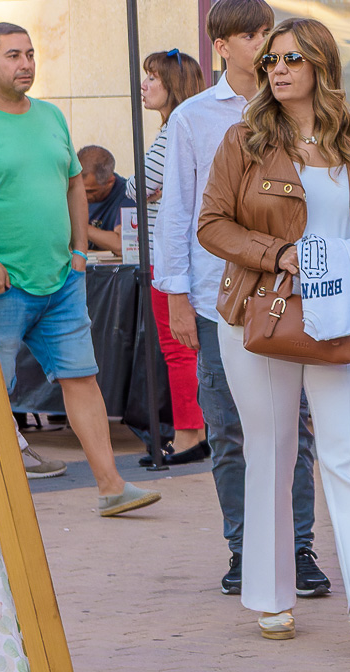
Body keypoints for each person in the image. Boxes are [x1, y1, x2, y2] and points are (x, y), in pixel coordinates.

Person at [199, 17, 350, 648]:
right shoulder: (244, 140)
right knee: (272, 450)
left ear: (321, 64)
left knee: (348, 451)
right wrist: (281, 253)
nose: (278, 70)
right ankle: (270, 596)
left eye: (291, 59)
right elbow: (212, 225)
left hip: (343, 314)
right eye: (270, 62)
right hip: (264, 311)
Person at [0, 22, 160, 517]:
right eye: (13, 55)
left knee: (82, 378)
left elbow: (72, 186)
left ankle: (111, 487)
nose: (25, 64)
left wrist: (80, 251)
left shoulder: (50, 117)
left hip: (61, 279)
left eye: (30, 54)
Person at [154, 0, 326, 598]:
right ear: (222, 47)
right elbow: (177, 209)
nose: (263, 47)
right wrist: (174, 292)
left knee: (295, 427)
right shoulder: (195, 118)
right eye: (251, 37)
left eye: (267, 35)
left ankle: (298, 548)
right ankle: (243, 547)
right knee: (228, 427)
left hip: (294, 291)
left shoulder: (301, 108)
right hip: (216, 298)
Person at [140, 49, 208, 464]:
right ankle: (195, 427)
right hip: (180, 254)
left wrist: (140, 184)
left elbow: (140, 183)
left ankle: (188, 433)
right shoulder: (185, 127)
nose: (145, 85)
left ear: (173, 86)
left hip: (168, 258)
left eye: (153, 78)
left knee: (177, 347)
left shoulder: (172, 132)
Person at [78, 145, 135, 257]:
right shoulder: (69, 191)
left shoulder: (128, 196)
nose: (81, 196)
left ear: (110, 182)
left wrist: (78, 225)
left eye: (90, 191)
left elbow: (123, 246)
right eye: (77, 188)